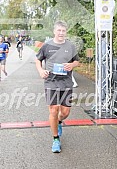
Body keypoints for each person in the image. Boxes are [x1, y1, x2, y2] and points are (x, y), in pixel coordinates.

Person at [35, 21, 79, 153]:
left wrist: (72, 65)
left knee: (64, 112)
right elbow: (38, 60)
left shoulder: (70, 46)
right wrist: (41, 71)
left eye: (63, 31)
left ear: (66, 32)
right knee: (53, 110)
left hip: (66, 83)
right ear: (54, 32)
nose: (61, 33)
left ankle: (59, 122)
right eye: (59, 30)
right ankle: (55, 140)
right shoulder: (47, 46)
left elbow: (77, 61)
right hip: (51, 82)